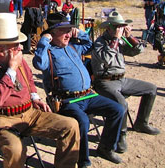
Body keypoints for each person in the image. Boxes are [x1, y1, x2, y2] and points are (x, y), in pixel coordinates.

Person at [0, 13, 80, 168]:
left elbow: (29, 80)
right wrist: (11, 69)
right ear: (1, 49)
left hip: (30, 113)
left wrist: (35, 97)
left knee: (70, 126)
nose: (19, 48)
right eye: (15, 45)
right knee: (16, 148)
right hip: (1, 118)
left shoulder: (20, 61)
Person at [33, 12, 125, 167]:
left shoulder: (73, 47)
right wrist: (43, 41)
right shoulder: (48, 52)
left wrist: (80, 33)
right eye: (64, 30)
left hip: (88, 95)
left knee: (118, 109)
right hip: (67, 101)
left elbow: (90, 46)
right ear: (52, 34)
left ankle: (106, 148)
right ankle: (83, 161)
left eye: (70, 30)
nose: (68, 34)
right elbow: (39, 64)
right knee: (82, 121)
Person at [91, 11, 160, 154]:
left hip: (122, 79)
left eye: (121, 26)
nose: (119, 29)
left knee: (151, 89)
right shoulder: (100, 42)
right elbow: (106, 60)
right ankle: (121, 136)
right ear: (108, 28)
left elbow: (138, 51)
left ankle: (141, 123)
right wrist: (116, 39)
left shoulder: (121, 40)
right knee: (121, 103)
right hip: (105, 82)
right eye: (117, 26)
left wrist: (130, 37)